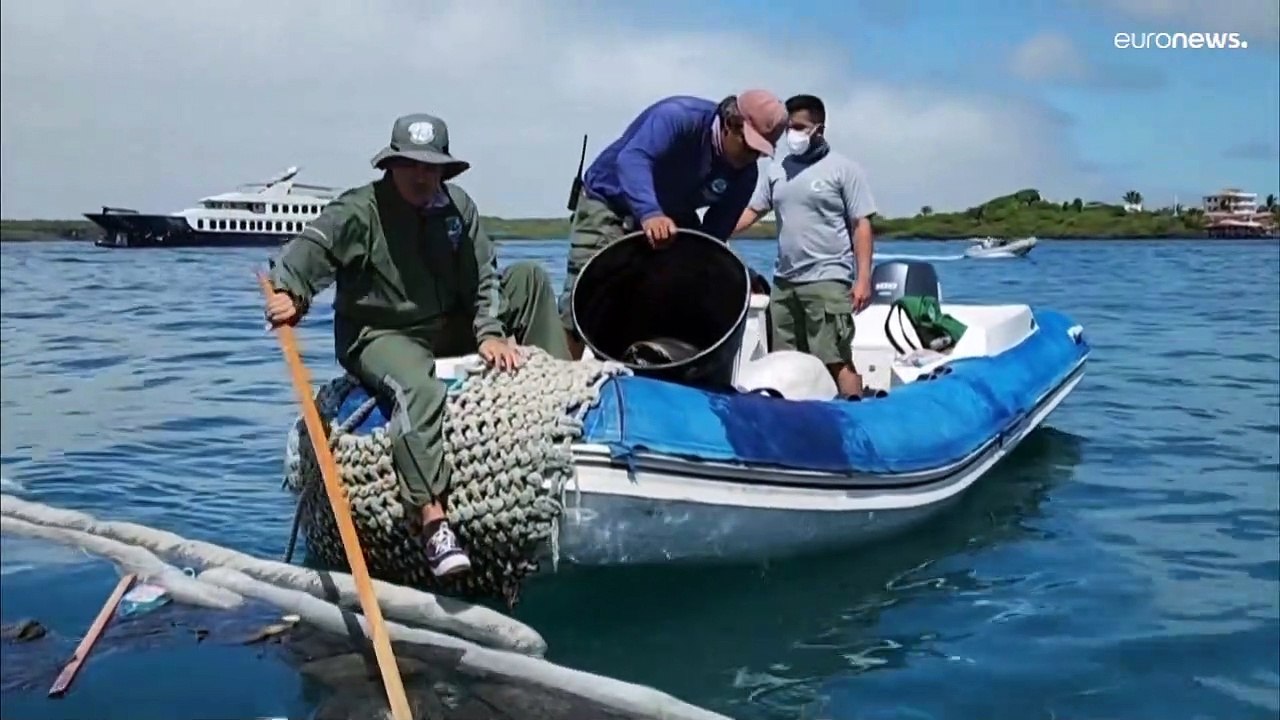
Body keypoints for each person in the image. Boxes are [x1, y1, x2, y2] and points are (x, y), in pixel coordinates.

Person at [263, 113, 571, 578]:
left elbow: (485, 275)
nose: (423, 176)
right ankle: (431, 520)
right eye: (411, 165)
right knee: (416, 388)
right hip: (381, 333)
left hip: (448, 322)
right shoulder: (359, 210)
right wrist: (292, 293)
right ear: (392, 165)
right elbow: (311, 251)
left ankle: (566, 410)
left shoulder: (458, 208)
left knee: (527, 278)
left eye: (431, 167)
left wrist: (489, 332)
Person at [558, 90, 789, 359]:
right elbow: (632, 159)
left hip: (672, 216)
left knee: (665, 295)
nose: (752, 158)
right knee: (584, 299)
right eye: (749, 146)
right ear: (730, 123)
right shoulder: (678, 118)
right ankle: (563, 377)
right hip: (610, 200)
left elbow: (712, 237)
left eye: (761, 152)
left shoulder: (745, 175)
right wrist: (650, 212)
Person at [733, 94, 878, 398]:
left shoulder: (843, 169)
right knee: (787, 363)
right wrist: (713, 231)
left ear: (819, 130)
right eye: (789, 127)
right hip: (785, 283)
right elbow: (753, 210)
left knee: (835, 358)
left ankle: (855, 416)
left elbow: (861, 224)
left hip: (827, 278)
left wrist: (863, 278)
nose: (792, 134)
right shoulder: (777, 169)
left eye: (800, 127)